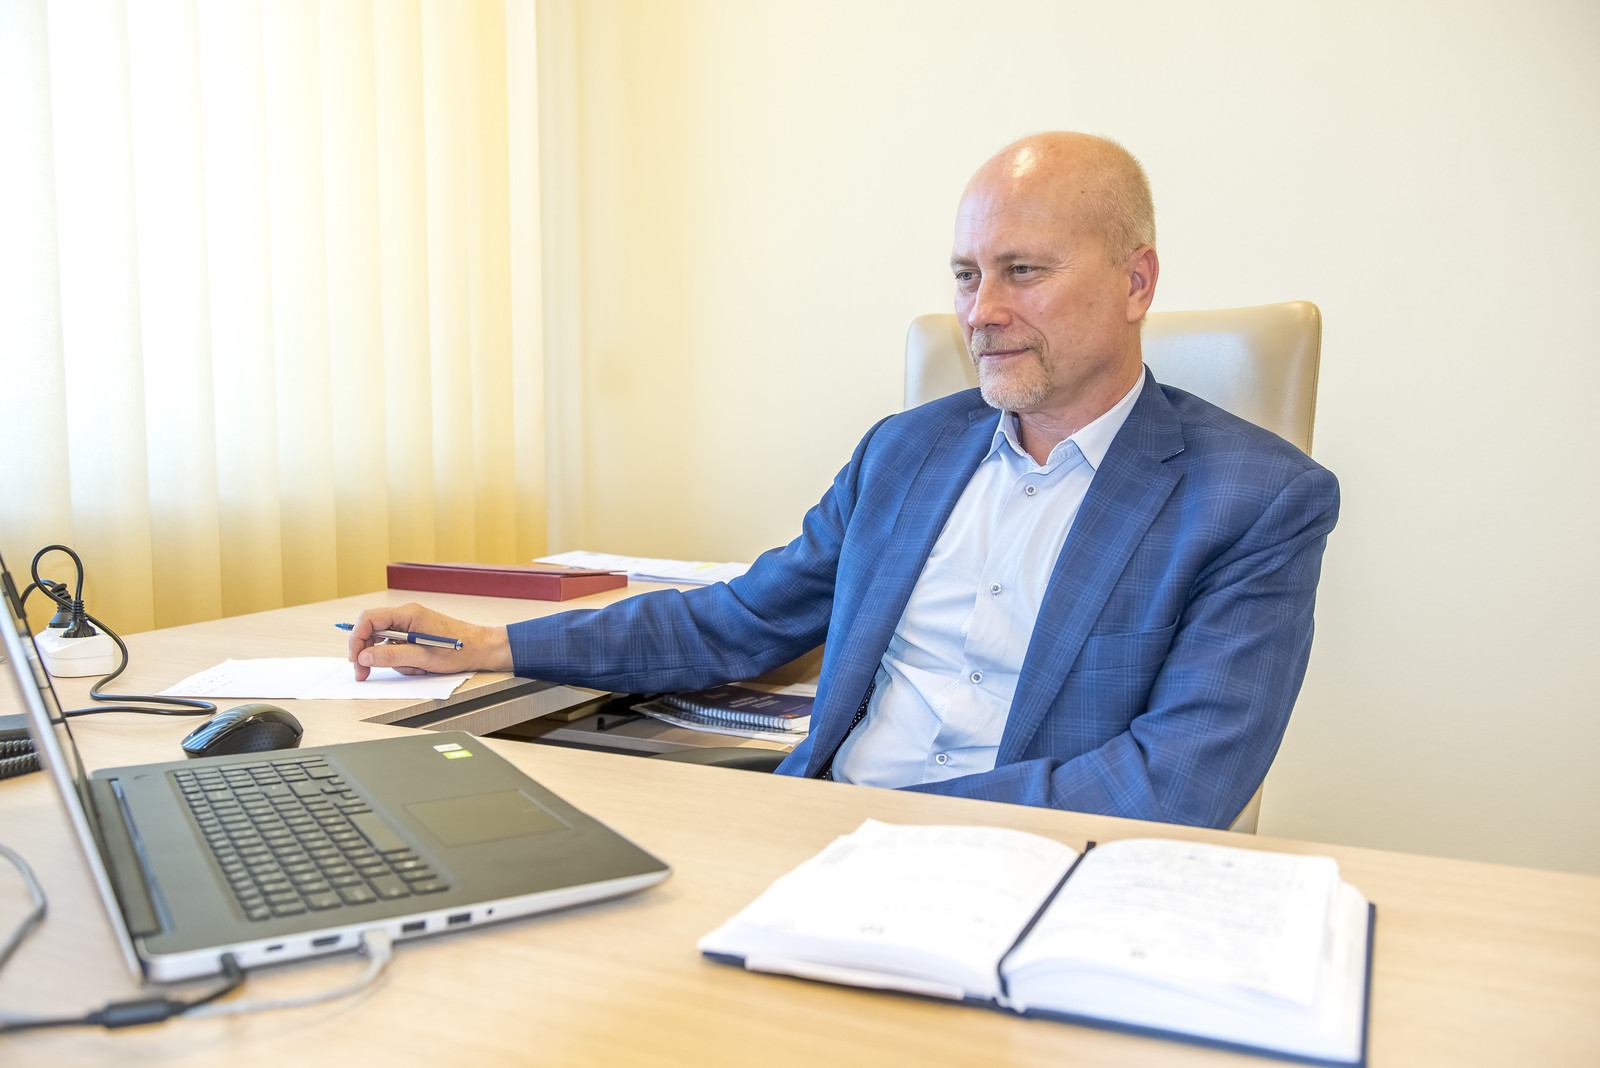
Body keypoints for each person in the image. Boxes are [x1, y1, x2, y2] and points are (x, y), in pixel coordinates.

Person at [348, 132, 1339, 829]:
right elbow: (735, 622)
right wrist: (496, 644)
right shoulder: (904, 453)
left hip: (1030, 877)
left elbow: (1175, 783)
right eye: (966, 275)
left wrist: (883, 827)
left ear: (1136, 282)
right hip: (812, 840)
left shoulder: (1256, 500)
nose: (980, 312)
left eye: (1023, 271)